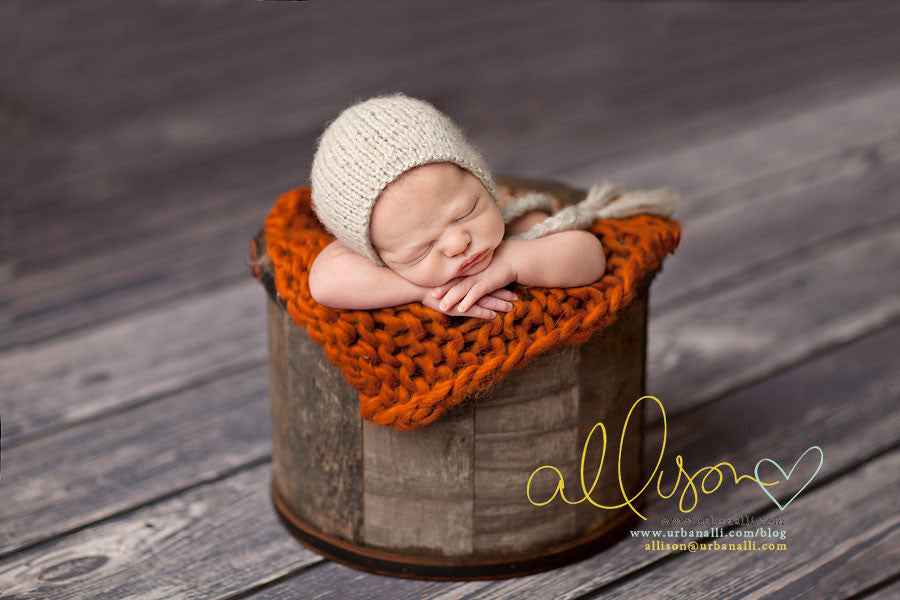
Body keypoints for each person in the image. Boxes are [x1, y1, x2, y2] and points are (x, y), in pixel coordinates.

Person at [308, 94, 677, 319]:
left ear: (483, 181)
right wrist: (419, 290)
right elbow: (323, 281)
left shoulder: (511, 218)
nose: (458, 243)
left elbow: (589, 255)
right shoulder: (377, 252)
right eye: (421, 249)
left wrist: (512, 261)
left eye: (466, 212)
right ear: (375, 254)